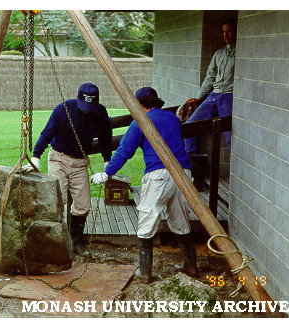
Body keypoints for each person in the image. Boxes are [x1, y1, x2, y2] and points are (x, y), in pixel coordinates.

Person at [91, 87, 197, 282]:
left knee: (147, 219)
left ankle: (145, 272)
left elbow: (125, 151)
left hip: (159, 175)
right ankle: (190, 266)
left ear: (139, 105)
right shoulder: (172, 118)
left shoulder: (141, 122)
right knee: (180, 219)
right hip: (184, 173)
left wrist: (106, 173)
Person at [22, 82, 112, 257]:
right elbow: (47, 132)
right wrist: (36, 156)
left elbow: (105, 137)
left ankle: (75, 242)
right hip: (59, 158)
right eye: (84, 106)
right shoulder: (63, 110)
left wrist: (107, 160)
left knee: (83, 204)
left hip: (80, 162)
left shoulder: (100, 112)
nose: (86, 110)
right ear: (77, 97)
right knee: (56, 201)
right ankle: (54, 242)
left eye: (90, 107)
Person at [184, 21, 236, 190]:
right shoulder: (219, 53)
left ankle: (236, 179)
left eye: (229, 31)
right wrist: (198, 98)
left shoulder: (242, 53)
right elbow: (209, 78)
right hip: (214, 95)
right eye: (223, 32)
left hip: (229, 96)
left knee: (230, 137)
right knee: (191, 125)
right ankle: (193, 172)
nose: (226, 35)